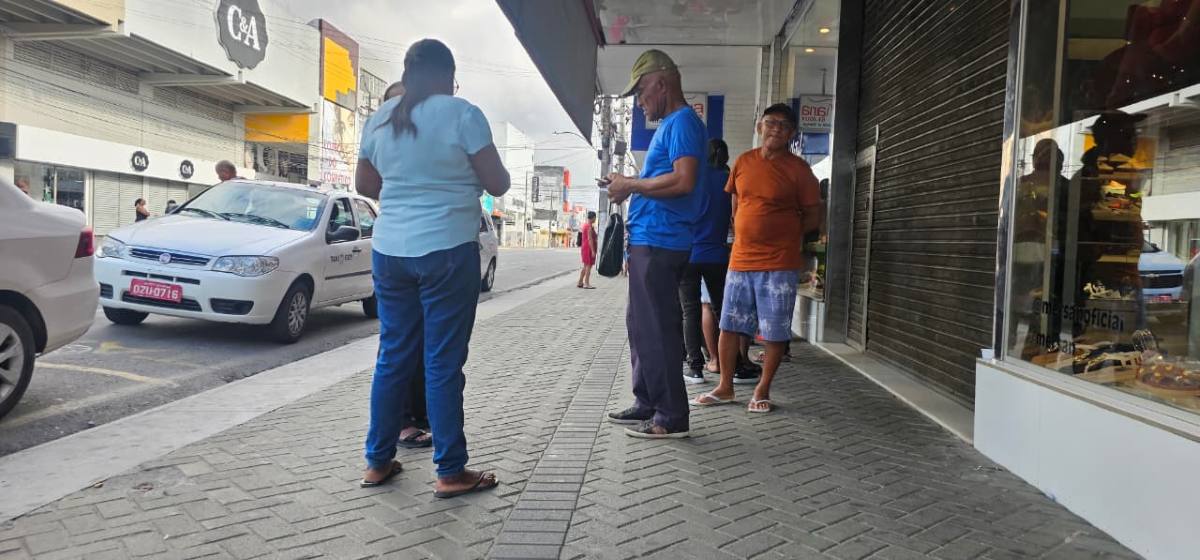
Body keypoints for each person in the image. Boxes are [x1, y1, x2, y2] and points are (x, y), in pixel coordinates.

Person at [355, 39, 510, 496]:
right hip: (446, 249)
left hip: (390, 252)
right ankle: (449, 470)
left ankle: (377, 462)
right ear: (448, 75)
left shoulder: (379, 118)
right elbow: (498, 183)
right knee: (442, 363)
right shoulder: (463, 114)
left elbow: (366, 184)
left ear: (408, 74)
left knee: (392, 357)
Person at [604, 49, 706, 439]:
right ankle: (648, 400)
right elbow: (667, 179)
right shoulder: (672, 125)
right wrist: (629, 183)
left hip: (663, 243)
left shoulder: (682, 122)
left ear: (661, 83)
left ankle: (671, 417)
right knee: (641, 326)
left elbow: (683, 181)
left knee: (658, 329)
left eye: (642, 91)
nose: (640, 101)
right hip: (651, 241)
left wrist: (630, 184)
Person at [693, 104, 820, 413]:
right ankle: (725, 387)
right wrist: (743, 228)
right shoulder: (744, 162)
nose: (776, 128)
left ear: (792, 134)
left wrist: (788, 235)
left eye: (784, 125)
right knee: (730, 326)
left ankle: (762, 390)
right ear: (760, 126)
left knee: (774, 331)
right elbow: (736, 200)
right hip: (740, 260)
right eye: (770, 122)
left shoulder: (799, 170)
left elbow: (815, 214)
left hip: (779, 263)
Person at [381, 79, 433, 449]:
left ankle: (418, 417)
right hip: (399, 252)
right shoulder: (385, 141)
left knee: (422, 345)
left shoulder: (422, 140)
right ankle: (398, 426)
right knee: (399, 348)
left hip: (420, 251)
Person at [679, 139, 733, 384]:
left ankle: (695, 367)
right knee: (723, 311)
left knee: (690, 310)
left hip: (689, 253)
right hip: (718, 255)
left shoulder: (693, 178)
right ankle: (728, 364)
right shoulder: (728, 179)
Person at [578, 211, 598, 289]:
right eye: (595, 217)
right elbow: (590, 239)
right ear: (593, 218)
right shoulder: (589, 227)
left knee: (586, 266)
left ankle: (580, 282)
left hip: (585, 247)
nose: (595, 219)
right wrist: (593, 251)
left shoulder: (586, 225)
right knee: (588, 266)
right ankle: (586, 283)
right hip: (588, 248)